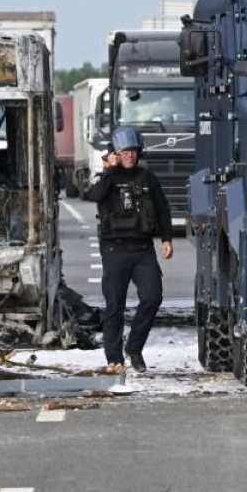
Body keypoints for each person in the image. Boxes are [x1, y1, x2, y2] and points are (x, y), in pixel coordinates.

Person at [83, 126, 173, 372]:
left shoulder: (147, 178)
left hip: (143, 249)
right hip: (115, 250)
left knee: (152, 297)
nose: (130, 155)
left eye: (133, 150)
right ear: (115, 153)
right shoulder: (106, 178)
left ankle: (134, 347)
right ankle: (114, 359)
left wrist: (166, 238)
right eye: (125, 151)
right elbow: (94, 195)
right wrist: (109, 170)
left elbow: (162, 209)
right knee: (115, 305)